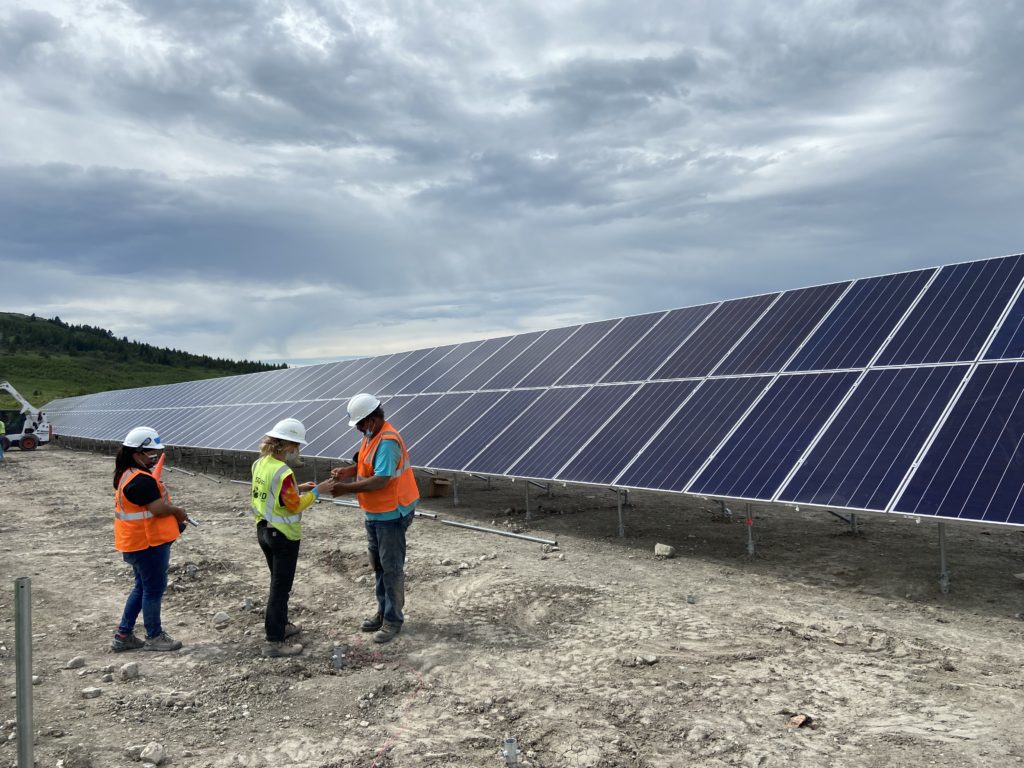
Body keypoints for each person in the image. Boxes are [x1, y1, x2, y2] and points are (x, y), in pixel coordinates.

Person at [331, 393, 419, 644]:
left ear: (371, 419)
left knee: (391, 568)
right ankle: (383, 612)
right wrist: (347, 472)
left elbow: (381, 479)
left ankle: (393, 620)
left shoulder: (388, 441)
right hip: (374, 513)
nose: (358, 429)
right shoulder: (371, 436)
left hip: (391, 513)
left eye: (360, 424)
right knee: (378, 565)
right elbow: (363, 465)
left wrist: (346, 489)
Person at [251, 418, 334, 658]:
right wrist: (318, 492)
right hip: (283, 536)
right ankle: (274, 641)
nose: (295, 450)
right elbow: (294, 506)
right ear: (287, 445)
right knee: (280, 588)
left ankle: (283, 626)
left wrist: (300, 488)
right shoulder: (283, 471)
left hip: (263, 530)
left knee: (277, 583)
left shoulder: (259, 464)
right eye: (295, 445)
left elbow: (274, 495)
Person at [110, 427, 187, 652]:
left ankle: (123, 635)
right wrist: (178, 511)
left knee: (142, 587)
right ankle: (154, 636)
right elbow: (158, 509)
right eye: (150, 453)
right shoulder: (141, 480)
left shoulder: (126, 474)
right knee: (153, 589)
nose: (154, 457)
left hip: (135, 543)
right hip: (148, 544)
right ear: (137, 454)